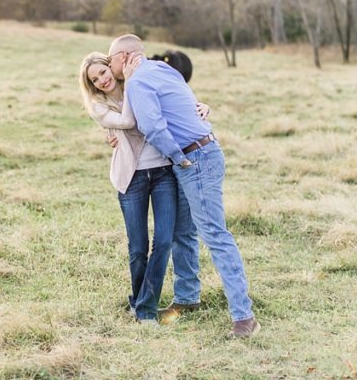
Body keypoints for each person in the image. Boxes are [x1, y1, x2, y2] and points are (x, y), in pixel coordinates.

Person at [107, 34, 260, 339]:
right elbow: (186, 104)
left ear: (123, 57)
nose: (110, 69)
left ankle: (244, 317)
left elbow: (153, 125)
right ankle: (188, 298)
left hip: (193, 158)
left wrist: (179, 157)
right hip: (202, 151)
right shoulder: (163, 70)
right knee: (183, 231)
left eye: (110, 61)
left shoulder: (138, 82)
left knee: (215, 234)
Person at [79, 52, 203, 324]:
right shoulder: (98, 106)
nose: (102, 80)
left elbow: (172, 101)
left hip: (162, 174)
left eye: (103, 71)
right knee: (138, 246)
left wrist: (200, 105)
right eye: (95, 79)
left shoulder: (138, 83)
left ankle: (144, 308)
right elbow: (127, 122)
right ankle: (141, 303)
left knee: (163, 241)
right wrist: (133, 83)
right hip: (131, 178)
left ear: (112, 67)